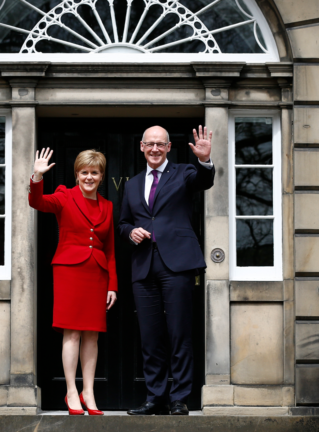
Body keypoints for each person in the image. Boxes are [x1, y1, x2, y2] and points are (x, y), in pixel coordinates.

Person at [119, 125, 214, 416]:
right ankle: (155, 397)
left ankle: (179, 398)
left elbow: (204, 180)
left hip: (178, 265)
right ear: (142, 147)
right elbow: (122, 222)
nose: (155, 149)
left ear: (169, 147)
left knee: (179, 334)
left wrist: (205, 160)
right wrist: (131, 232)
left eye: (161, 144)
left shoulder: (185, 172)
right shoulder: (133, 184)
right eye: (150, 144)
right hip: (144, 266)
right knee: (150, 337)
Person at [28, 148, 118, 416]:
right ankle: (71, 391)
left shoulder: (108, 205)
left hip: (97, 273)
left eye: (94, 172)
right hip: (69, 271)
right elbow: (37, 203)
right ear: (77, 174)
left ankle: (88, 392)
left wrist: (113, 284)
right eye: (84, 172)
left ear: (101, 176)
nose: (89, 177)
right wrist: (37, 176)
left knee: (92, 335)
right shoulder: (64, 196)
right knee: (73, 332)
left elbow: (111, 249)